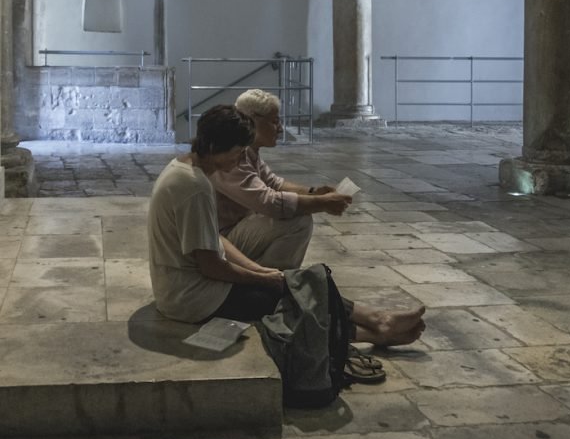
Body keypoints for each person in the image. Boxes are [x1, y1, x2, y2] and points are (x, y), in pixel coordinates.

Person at [147, 104, 426, 348]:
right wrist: (262, 279)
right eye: (236, 152)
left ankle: (377, 321)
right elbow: (210, 265)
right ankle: (374, 332)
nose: (239, 159)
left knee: (291, 286)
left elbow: (216, 241)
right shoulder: (195, 187)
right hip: (192, 298)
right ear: (213, 146)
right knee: (293, 302)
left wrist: (259, 270)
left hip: (184, 287)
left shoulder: (184, 168)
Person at [210, 88, 349, 269]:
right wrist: (322, 203)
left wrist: (313, 192)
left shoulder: (249, 150)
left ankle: (268, 277)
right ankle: (266, 284)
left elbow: (274, 183)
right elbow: (268, 202)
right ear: (252, 121)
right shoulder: (232, 153)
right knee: (297, 221)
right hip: (219, 239)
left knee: (296, 216)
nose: (281, 128)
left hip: (235, 228)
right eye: (275, 122)